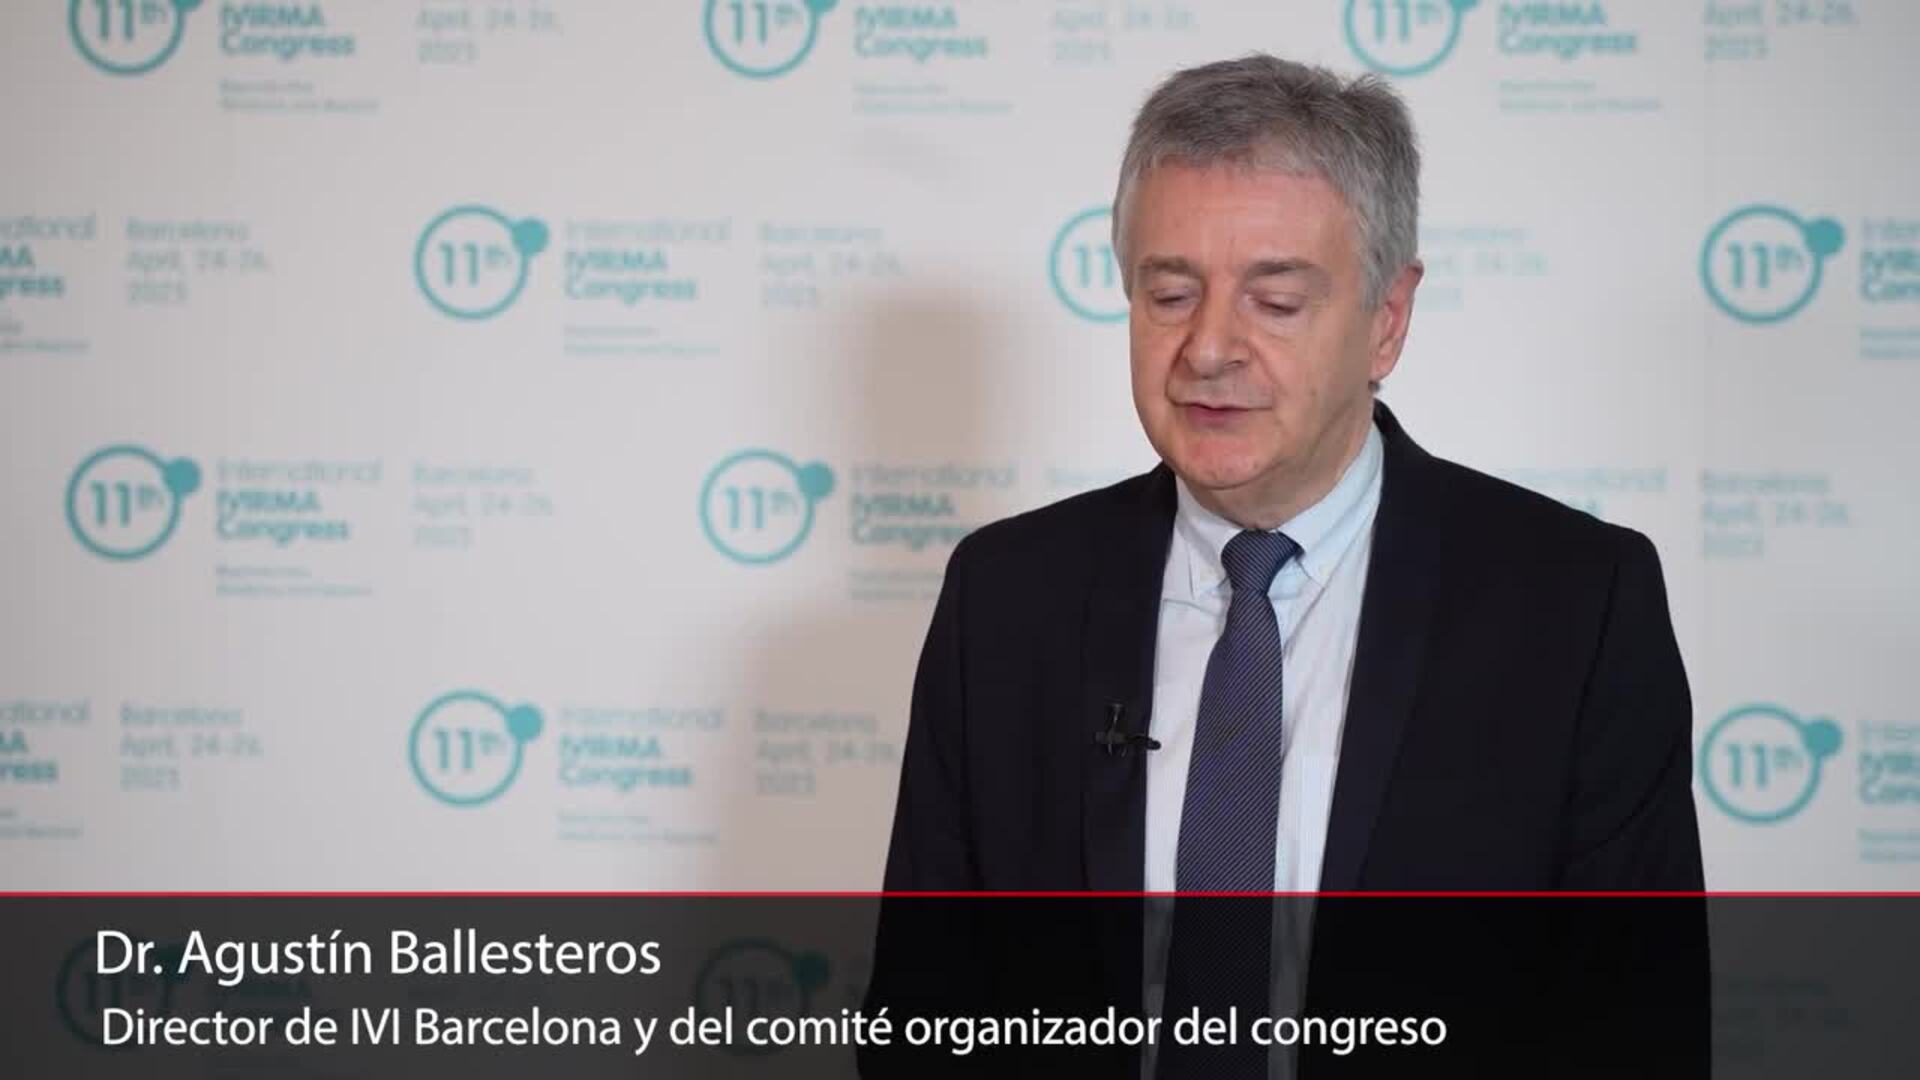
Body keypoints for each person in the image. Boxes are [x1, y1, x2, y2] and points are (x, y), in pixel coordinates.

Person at [866, 54, 1707, 1077]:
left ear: (1386, 320)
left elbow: (1635, 1033)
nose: (1208, 348)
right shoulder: (1005, 597)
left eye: (1274, 302)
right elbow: (922, 1025)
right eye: (1170, 293)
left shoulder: (1576, 607)